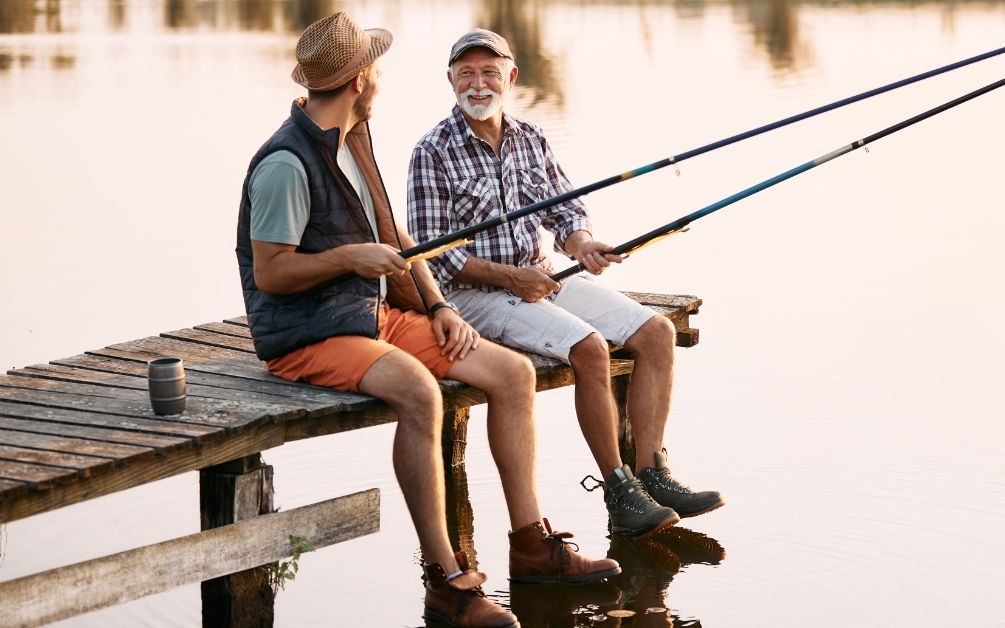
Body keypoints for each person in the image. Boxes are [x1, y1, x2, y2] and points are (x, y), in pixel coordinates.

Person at [234, 14, 616, 628]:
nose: (382, 77)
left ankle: (532, 547)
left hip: (368, 315)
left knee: (512, 374)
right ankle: (448, 582)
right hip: (305, 335)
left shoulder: (353, 137)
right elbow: (272, 272)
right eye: (376, 67)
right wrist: (351, 258)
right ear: (360, 79)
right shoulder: (285, 162)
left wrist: (438, 306)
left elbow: (397, 239)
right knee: (419, 392)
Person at [407, 29, 724, 540]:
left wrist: (581, 246)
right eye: (466, 73)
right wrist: (513, 278)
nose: (478, 83)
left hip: (543, 276)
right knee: (591, 348)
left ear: (510, 77)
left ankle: (651, 473)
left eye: (490, 72)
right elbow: (432, 257)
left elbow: (566, 208)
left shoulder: (530, 137)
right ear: (450, 80)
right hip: (473, 297)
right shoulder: (431, 152)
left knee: (657, 334)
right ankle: (618, 491)